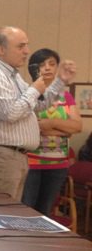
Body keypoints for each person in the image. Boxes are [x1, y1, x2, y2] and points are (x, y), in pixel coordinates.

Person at [0, 27, 76, 200]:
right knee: (0, 210)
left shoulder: (13, 76)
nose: (27, 51)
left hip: (14, 156)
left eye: (27, 45)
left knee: (10, 211)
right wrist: (34, 89)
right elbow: (10, 113)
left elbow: (37, 106)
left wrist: (61, 81)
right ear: (1, 49)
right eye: (21, 46)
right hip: (1, 155)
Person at [21, 48, 82, 216]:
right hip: (30, 163)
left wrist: (51, 123)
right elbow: (33, 127)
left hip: (58, 164)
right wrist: (64, 129)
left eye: (52, 64)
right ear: (34, 69)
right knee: (26, 209)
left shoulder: (66, 97)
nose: (47, 68)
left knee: (45, 212)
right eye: (42, 64)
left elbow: (77, 126)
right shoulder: (29, 94)